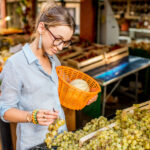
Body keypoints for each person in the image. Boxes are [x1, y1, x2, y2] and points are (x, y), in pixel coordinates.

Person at [0, 1, 98, 150]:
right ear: (41, 27)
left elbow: (56, 97)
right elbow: (5, 111)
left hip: (61, 138)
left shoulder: (55, 60)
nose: (60, 47)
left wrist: (83, 97)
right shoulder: (15, 64)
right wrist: (31, 116)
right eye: (57, 39)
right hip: (34, 144)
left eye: (65, 42)